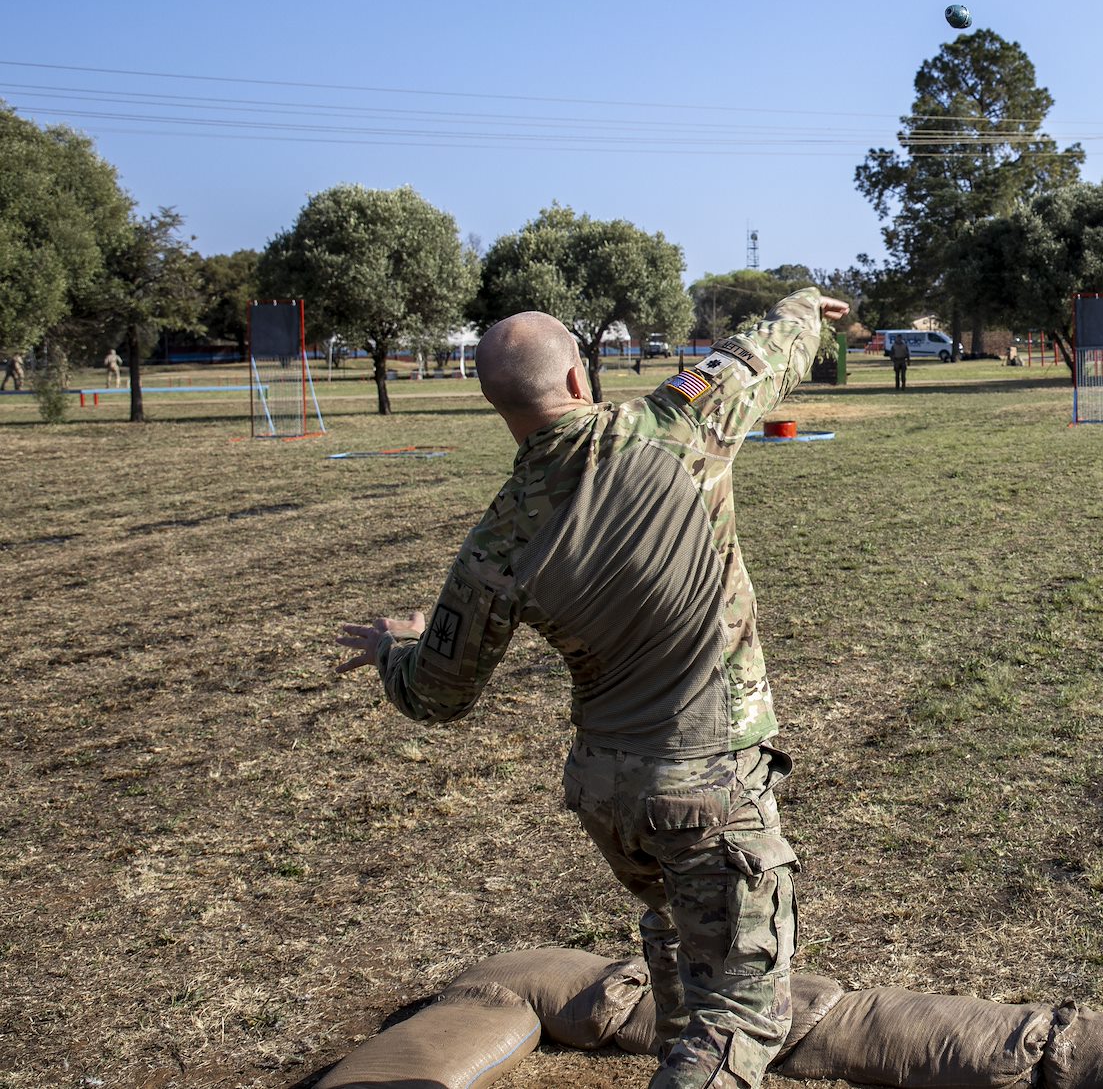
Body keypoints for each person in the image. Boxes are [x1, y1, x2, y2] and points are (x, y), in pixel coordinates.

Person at [335, 287, 848, 1089]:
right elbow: (762, 354)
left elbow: (436, 691)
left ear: (499, 406)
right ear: (579, 377)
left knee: (676, 932)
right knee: (740, 1016)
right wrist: (805, 306)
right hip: (708, 781)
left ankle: (674, 1049)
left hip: (610, 794)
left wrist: (390, 649)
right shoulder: (677, 425)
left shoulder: (497, 538)